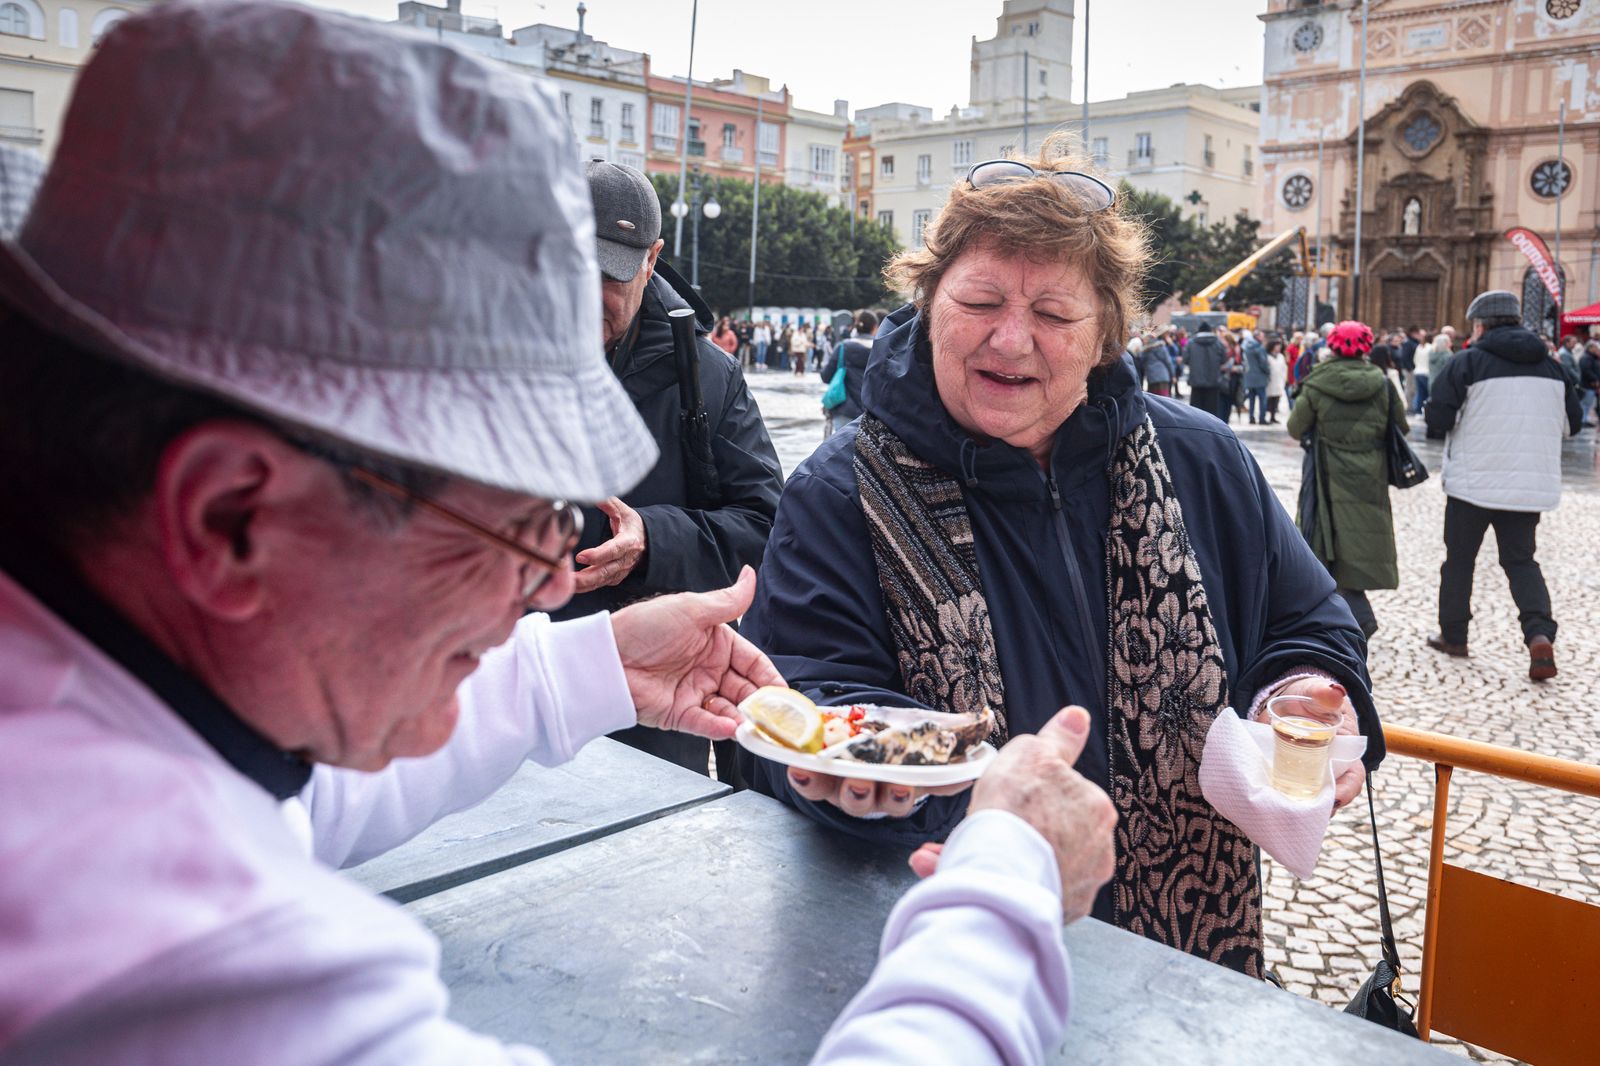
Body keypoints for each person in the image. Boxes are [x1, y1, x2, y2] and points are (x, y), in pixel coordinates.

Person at [0, 5, 1118, 1063]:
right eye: (507, 521)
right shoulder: (129, 929)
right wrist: (1002, 888)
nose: (546, 581)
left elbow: (290, 801)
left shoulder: (93, 708)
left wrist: (579, 670)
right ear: (229, 515)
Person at [738, 140, 1383, 979]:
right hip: (947, 950)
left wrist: (1300, 690)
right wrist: (875, 776)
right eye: (980, 301)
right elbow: (805, 698)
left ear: (1106, 334)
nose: (1011, 340)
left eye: (1053, 313)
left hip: (1182, 962)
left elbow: (1309, 623)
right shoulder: (838, 490)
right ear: (930, 304)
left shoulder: (1203, 460)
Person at [560, 160, 784, 779]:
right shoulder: (487, 355)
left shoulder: (707, 377)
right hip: (506, 689)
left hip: (649, 711)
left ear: (651, 260)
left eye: (607, 275)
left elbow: (765, 525)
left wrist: (652, 542)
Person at [1424, 290, 1582, 680]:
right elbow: (1573, 423)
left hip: (1472, 483)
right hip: (1527, 485)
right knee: (1522, 561)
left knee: (1459, 561)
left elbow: (1438, 419)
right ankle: (1538, 634)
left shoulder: (1467, 362)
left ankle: (1454, 636)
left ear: (1480, 325)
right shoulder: (1553, 367)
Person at [1286, 322, 1406, 641]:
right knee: (1358, 538)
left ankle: (1356, 614)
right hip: (1371, 473)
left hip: (1328, 473)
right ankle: (1352, 611)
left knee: (1328, 538)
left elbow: (1296, 427)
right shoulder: (1382, 383)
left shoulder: (1317, 383)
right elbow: (1401, 425)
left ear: (1332, 346)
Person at [821, 309, 878, 438]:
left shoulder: (843, 347)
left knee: (842, 447)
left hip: (844, 409)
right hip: (872, 413)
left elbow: (826, 376)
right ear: (875, 327)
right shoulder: (880, 349)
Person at [1186, 320, 1226, 421]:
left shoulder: (1191, 343)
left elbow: (1185, 359)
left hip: (1196, 381)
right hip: (1213, 382)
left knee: (1196, 412)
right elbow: (1223, 360)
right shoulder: (1218, 343)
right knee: (1212, 412)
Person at [1242, 328, 1270, 424]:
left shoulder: (1246, 347)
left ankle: (1251, 417)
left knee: (1251, 399)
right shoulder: (1259, 347)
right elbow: (1263, 363)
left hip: (1249, 377)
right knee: (1262, 399)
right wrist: (1268, 372)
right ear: (1257, 337)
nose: (1263, 338)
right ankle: (1262, 418)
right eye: (1262, 336)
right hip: (1259, 377)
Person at [1142, 332, 1176, 397]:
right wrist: (1173, 375)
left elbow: (1142, 363)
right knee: (1164, 398)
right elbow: (1168, 362)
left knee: (1154, 399)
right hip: (1163, 376)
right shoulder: (1161, 347)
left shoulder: (1145, 351)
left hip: (1152, 378)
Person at [1265, 337, 1287, 423]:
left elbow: (1284, 368)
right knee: (1270, 399)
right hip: (1270, 381)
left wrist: (1284, 378)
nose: (1279, 347)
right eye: (1277, 346)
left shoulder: (1281, 356)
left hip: (1279, 380)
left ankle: (1273, 416)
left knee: (1277, 399)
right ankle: (1268, 416)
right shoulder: (1267, 356)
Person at [1580, 339, 1600, 428]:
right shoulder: (1586, 358)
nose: (1597, 349)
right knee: (1586, 403)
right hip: (1588, 384)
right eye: (1595, 347)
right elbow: (1586, 370)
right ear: (1590, 348)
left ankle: (1585, 419)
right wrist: (1595, 379)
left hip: (1591, 384)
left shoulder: (1591, 357)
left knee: (1589, 403)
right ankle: (1583, 420)